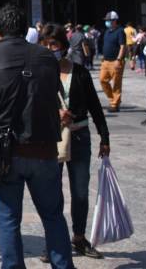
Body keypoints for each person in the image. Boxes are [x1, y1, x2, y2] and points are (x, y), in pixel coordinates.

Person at [0, 3, 75, 269]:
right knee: (53, 215)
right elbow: (53, 94)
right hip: (43, 148)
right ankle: (62, 265)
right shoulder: (46, 58)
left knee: (7, 220)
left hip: (3, 150)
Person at [40, 23, 110, 260]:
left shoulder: (79, 72)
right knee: (52, 192)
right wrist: (54, 113)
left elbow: (94, 105)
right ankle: (54, 241)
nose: (50, 49)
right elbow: (32, 106)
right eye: (46, 45)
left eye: (54, 45)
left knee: (80, 191)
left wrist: (105, 136)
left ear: (63, 45)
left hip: (79, 136)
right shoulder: (40, 73)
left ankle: (79, 238)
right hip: (53, 138)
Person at [99, 11, 126, 113]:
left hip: (116, 61)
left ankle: (115, 103)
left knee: (116, 84)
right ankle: (112, 99)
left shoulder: (120, 31)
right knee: (102, 80)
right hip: (106, 61)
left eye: (109, 20)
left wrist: (119, 59)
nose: (107, 22)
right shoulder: (107, 31)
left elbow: (123, 46)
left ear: (115, 21)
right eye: (106, 21)